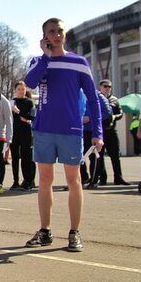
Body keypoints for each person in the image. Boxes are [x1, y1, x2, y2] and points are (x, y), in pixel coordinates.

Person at [24, 18, 103, 253]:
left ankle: (74, 232)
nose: (56, 35)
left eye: (60, 31)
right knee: (45, 180)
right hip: (44, 129)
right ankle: (45, 230)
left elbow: (93, 98)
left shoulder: (79, 62)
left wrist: (97, 132)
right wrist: (46, 58)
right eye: (51, 32)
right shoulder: (39, 61)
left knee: (73, 180)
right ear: (44, 36)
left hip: (71, 130)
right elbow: (30, 83)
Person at [96, 79, 128, 185]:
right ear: (100, 87)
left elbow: (120, 112)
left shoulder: (114, 99)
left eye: (109, 87)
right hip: (100, 131)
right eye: (105, 86)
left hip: (111, 130)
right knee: (99, 156)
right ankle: (102, 178)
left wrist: (115, 116)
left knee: (115, 156)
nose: (107, 89)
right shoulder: (97, 99)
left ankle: (118, 178)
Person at [81, 89, 112, 189]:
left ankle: (94, 180)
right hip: (79, 131)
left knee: (94, 156)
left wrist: (89, 118)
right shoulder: (75, 93)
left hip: (92, 131)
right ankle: (82, 179)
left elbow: (107, 112)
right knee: (79, 157)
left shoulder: (97, 95)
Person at [10, 81, 36, 190]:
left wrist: (18, 112)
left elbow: (31, 117)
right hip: (14, 132)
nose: (21, 91)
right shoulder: (12, 102)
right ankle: (15, 180)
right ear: (15, 90)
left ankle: (28, 180)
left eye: (23, 89)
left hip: (26, 132)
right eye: (19, 89)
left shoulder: (29, 102)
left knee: (26, 157)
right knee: (14, 157)